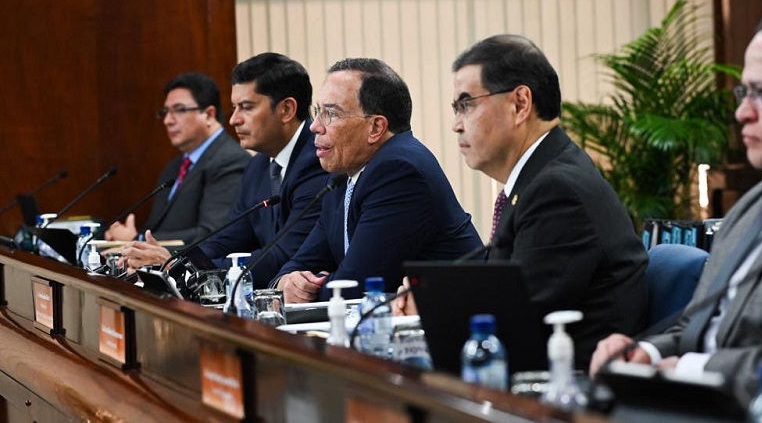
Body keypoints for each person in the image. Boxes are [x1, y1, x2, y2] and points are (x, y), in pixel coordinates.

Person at [394, 34, 649, 371]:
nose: (456, 125)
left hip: (573, 386)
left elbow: (517, 322)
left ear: (519, 104)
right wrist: (433, 297)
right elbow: (503, 293)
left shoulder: (557, 191)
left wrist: (431, 310)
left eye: (466, 104)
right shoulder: (539, 178)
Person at [591, 10, 762, 405]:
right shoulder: (754, 206)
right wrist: (646, 353)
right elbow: (698, 326)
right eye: (744, 93)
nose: (742, 112)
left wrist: (691, 369)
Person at [272, 58, 482, 302]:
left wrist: (307, 289)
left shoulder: (399, 171)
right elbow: (302, 262)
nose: (314, 126)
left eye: (331, 114)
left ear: (375, 127)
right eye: (317, 112)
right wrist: (286, 282)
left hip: (462, 316)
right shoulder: (342, 176)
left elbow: (356, 286)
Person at [113, 54, 329, 287]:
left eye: (246, 107)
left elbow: (282, 256)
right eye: (234, 108)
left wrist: (179, 269)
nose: (234, 120)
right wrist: (175, 263)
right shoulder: (258, 165)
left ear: (286, 109)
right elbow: (227, 239)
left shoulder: (317, 161)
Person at [104, 72, 250, 245]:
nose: (167, 120)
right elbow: (157, 228)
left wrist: (138, 240)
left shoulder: (230, 161)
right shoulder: (174, 167)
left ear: (209, 115)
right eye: (165, 112)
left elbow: (212, 234)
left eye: (179, 110)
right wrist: (124, 238)